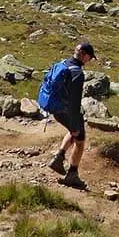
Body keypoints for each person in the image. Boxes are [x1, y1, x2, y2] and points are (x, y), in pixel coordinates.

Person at [38, 40, 96, 188]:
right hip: (65, 110)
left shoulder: (63, 63)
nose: (90, 60)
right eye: (90, 56)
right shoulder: (77, 73)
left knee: (74, 130)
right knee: (80, 139)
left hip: (54, 107)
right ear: (84, 55)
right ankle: (72, 174)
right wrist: (75, 119)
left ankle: (58, 158)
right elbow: (75, 101)